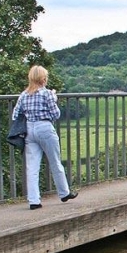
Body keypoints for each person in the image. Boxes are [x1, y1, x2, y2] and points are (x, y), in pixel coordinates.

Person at [12, 65, 78, 210]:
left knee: (32, 166)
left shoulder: (24, 95)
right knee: (55, 161)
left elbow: (15, 115)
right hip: (45, 128)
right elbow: (56, 114)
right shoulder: (47, 94)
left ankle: (34, 201)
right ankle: (64, 192)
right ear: (43, 79)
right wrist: (54, 98)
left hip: (29, 129)